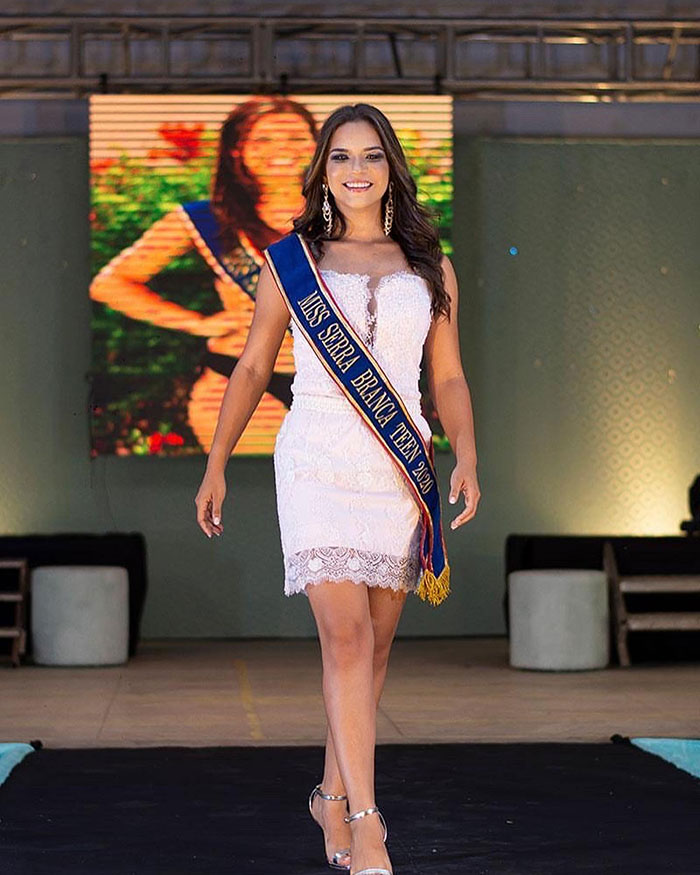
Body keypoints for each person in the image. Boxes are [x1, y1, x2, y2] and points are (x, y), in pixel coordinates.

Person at [194, 103, 480, 875]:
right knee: (346, 640)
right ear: (323, 169)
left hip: (399, 464)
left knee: (374, 649)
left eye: (373, 155)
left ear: (391, 168)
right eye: (343, 156)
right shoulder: (292, 262)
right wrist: (216, 461)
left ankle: (329, 794)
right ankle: (366, 820)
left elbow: (448, 375)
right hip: (317, 458)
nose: (358, 170)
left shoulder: (431, 264)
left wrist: (466, 454)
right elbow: (253, 365)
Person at [90, 96, 317, 455]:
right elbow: (109, 284)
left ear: (316, 145)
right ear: (237, 151)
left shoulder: (345, 217)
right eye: (263, 139)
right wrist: (199, 323)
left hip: (335, 385)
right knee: (256, 486)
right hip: (237, 382)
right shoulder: (207, 220)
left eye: (296, 138)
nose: (282, 149)